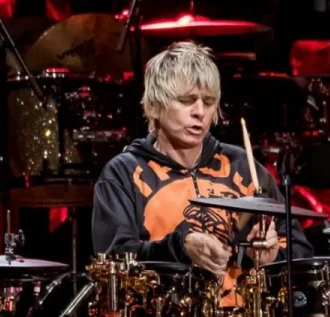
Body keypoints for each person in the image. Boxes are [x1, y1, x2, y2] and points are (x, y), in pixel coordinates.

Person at [91, 40, 313, 279]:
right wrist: (180, 248)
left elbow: (302, 252)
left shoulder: (243, 167)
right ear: (154, 107)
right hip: (162, 303)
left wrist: (271, 258)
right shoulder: (124, 173)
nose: (200, 112)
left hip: (241, 304)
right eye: (186, 100)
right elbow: (113, 259)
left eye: (208, 102)